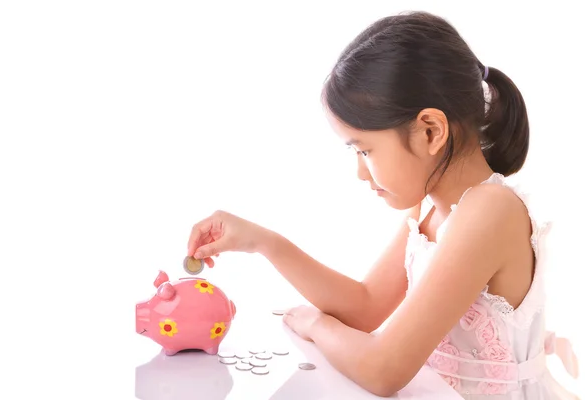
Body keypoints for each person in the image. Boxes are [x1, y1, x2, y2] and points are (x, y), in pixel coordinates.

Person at [186, 11, 579, 399]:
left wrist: (316, 325)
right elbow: (365, 307)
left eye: (364, 150)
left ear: (431, 130)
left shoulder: (490, 210)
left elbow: (383, 370)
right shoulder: (429, 209)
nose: (361, 172)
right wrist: (263, 242)